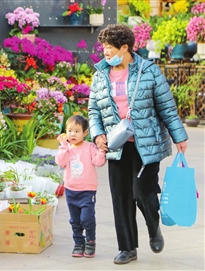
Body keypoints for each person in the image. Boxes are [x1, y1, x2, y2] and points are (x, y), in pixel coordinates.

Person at [88, 24, 188, 265]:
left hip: (146, 143)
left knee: (142, 191)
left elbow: (167, 107)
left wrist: (179, 136)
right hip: (117, 145)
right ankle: (127, 248)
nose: (105, 52)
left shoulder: (149, 71)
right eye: (103, 47)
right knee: (121, 198)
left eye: (110, 48)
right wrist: (98, 135)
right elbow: (93, 110)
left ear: (125, 47)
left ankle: (154, 227)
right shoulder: (100, 74)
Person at [55, 115, 106, 258]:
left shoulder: (89, 147)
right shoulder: (67, 148)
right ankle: (78, 243)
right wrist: (63, 146)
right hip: (71, 190)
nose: (72, 134)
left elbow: (99, 162)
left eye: (77, 131)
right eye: (69, 130)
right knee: (75, 220)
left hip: (87, 191)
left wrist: (101, 150)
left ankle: (90, 241)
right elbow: (61, 162)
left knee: (87, 219)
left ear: (85, 133)